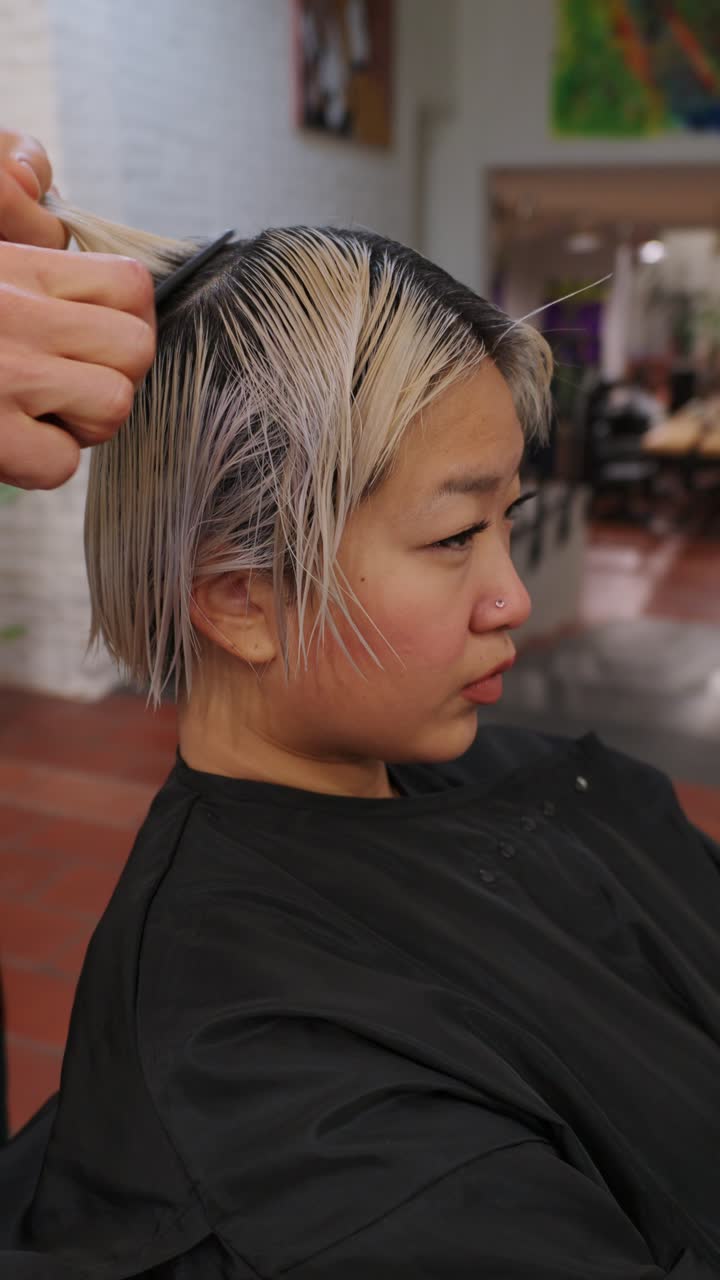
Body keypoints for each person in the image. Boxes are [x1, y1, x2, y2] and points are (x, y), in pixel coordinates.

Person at [1, 132, 719, 1279]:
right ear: (243, 599)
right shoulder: (275, 1079)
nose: (514, 597)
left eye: (508, 518)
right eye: (452, 534)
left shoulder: (549, 774)